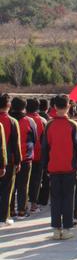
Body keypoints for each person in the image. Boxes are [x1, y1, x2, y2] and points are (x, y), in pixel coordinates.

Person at [42, 94, 77, 240]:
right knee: (69, 198)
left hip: (53, 167)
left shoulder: (49, 125)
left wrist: (45, 168)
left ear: (54, 106)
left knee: (55, 199)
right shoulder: (73, 125)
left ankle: (56, 229)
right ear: (68, 106)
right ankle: (67, 228)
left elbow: (45, 148)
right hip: (69, 168)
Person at [9, 97, 37, 220]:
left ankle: (10, 211)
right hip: (25, 157)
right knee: (23, 186)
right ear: (24, 107)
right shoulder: (29, 121)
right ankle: (21, 210)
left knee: (9, 186)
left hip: (9, 158)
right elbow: (35, 138)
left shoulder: (7, 120)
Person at [0, 94, 21, 227]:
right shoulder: (12, 121)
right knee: (7, 190)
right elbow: (15, 143)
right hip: (8, 161)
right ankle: (4, 217)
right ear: (9, 105)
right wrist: (19, 161)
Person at [26, 98, 47, 214]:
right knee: (36, 180)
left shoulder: (22, 119)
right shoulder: (42, 120)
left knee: (24, 181)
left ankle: (22, 204)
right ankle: (34, 204)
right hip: (38, 155)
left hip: (25, 155)